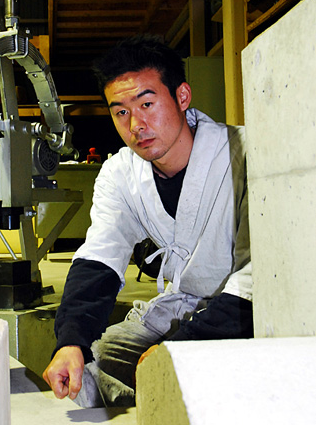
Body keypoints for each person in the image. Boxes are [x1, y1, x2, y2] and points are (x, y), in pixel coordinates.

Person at [43, 35, 253, 407]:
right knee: (99, 358)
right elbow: (100, 258)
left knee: (219, 379)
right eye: (121, 112)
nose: (136, 124)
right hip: (181, 306)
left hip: (243, 312)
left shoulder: (244, 153)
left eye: (147, 103)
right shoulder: (120, 173)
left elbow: (260, 277)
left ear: (182, 97)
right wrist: (71, 341)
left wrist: (179, 350)